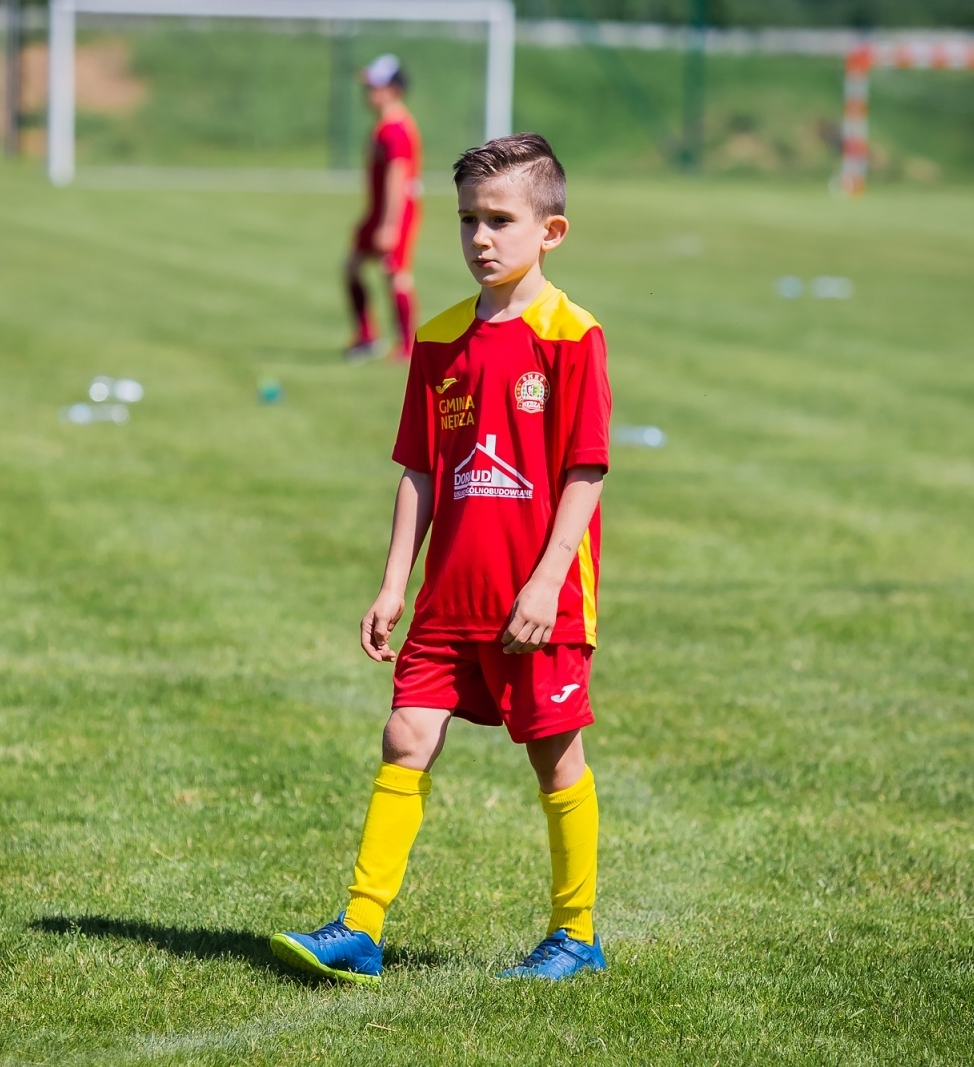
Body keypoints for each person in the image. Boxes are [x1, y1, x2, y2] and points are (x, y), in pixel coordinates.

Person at [273, 133, 613, 983]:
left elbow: (586, 470)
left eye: (499, 220)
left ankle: (575, 933)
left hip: (539, 599)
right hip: (449, 596)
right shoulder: (437, 340)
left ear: (552, 232)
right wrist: (394, 583)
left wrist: (546, 581)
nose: (479, 238)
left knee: (554, 754)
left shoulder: (572, 335)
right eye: (467, 220)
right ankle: (359, 926)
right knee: (405, 733)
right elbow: (420, 471)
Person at [345, 54, 422, 362]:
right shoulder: (382, 127)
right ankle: (367, 336)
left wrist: (389, 225)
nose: (369, 93)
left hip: (395, 211)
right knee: (351, 267)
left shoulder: (396, 130)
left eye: (375, 87)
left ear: (393, 90)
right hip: (378, 210)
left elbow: (397, 179)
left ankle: (407, 346)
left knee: (396, 274)